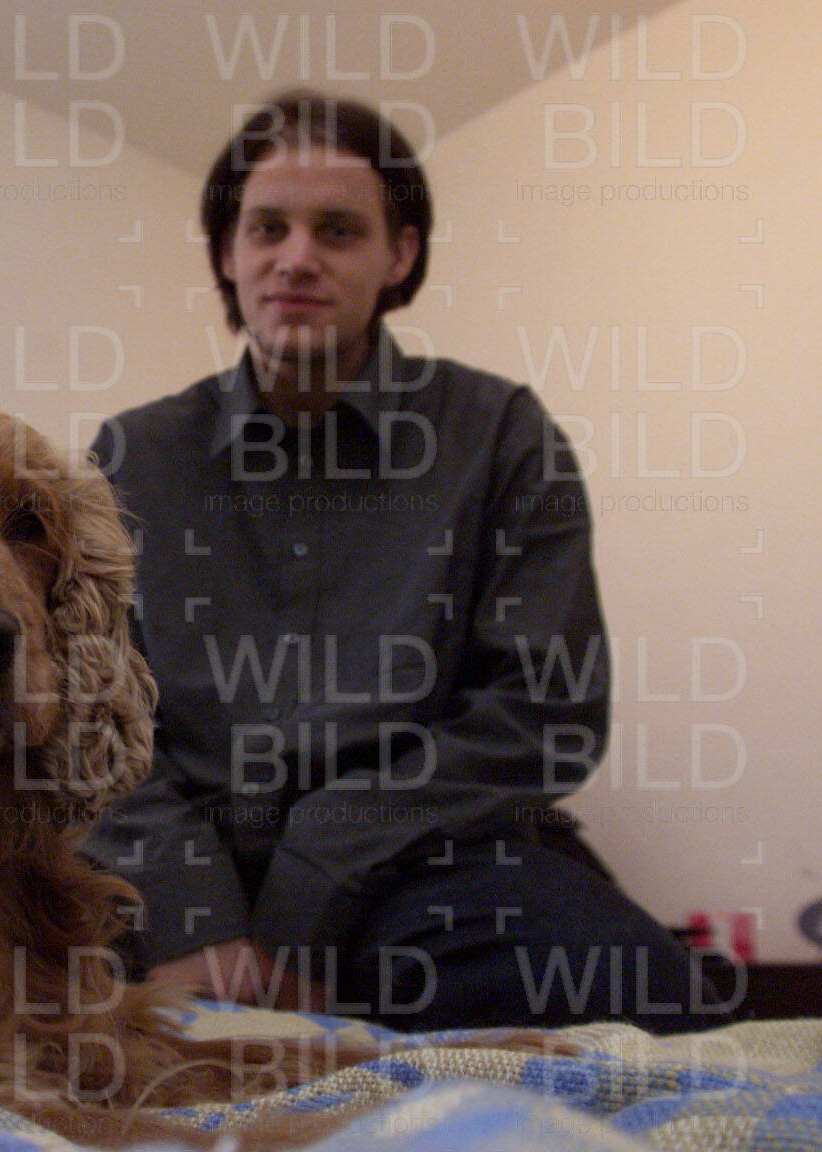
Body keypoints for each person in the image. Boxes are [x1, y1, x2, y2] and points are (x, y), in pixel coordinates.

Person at [83, 92, 721, 1032]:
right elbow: (85, 717)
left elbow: (544, 714)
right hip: (173, 878)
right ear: (227, 254)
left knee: (648, 999)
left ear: (401, 255)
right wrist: (190, 911)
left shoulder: (500, 435)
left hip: (426, 872)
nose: (297, 257)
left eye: (338, 230)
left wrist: (318, 869)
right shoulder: (129, 458)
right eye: (267, 228)